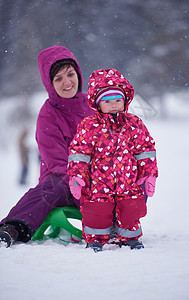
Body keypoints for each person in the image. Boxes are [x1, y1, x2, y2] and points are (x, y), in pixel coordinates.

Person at [0, 45, 94, 248]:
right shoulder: (48, 114)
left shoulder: (93, 105)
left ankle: (123, 225)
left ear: (78, 73)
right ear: (50, 84)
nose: (67, 82)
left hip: (99, 179)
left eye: (70, 74)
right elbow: (57, 162)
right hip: (65, 181)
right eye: (58, 79)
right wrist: (82, 183)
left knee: (129, 181)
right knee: (50, 188)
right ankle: (12, 228)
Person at [67, 68, 158, 252]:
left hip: (128, 181)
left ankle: (130, 237)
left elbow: (145, 149)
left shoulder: (134, 124)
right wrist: (77, 175)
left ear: (125, 101)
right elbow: (79, 152)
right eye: (108, 102)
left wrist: (149, 174)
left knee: (131, 208)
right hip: (99, 182)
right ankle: (95, 238)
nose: (114, 105)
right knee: (97, 209)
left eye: (118, 100)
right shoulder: (90, 125)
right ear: (98, 104)